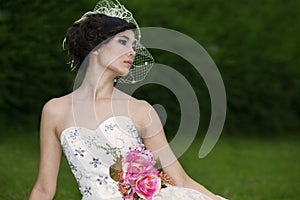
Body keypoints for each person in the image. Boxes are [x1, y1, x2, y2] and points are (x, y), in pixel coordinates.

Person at [29, 0, 227, 199]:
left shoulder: (140, 110)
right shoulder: (55, 110)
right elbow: (44, 189)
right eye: (123, 42)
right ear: (96, 45)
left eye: (133, 45)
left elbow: (180, 179)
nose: (132, 51)